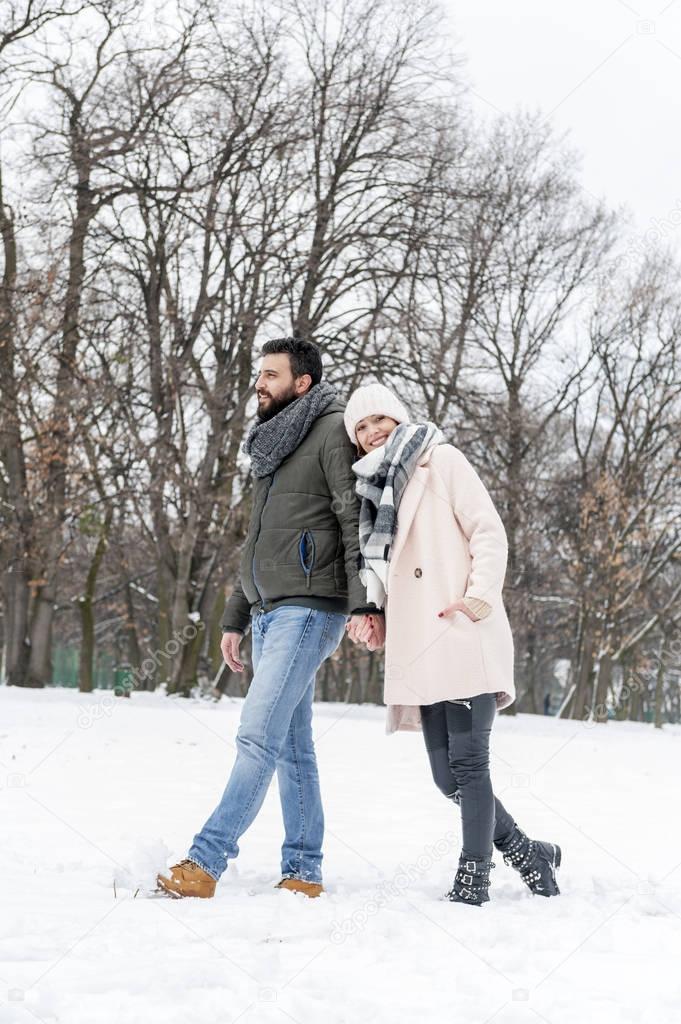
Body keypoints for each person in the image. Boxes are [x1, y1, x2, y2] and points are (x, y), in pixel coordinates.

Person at [157, 338, 383, 899]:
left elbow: (350, 513)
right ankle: (304, 871)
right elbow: (256, 539)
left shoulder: (330, 429)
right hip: (268, 609)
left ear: (301, 382)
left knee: (257, 735)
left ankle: (206, 861)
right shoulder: (271, 443)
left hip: (309, 608)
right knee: (291, 746)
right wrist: (236, 615)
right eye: (259, 373)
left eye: (270, 374)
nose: (259, 383)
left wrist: (364, 603)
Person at [342, 383, 561, 906]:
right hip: (420, 645)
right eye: (361, 428)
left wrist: (478, 596)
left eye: (379, 420)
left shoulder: (441, 460)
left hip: (461, 630)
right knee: (447, 779)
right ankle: (530, 853)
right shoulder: (372, 492)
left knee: (469, 765)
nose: (372, 432)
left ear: (398, 418)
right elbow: (385, 573)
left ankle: (473, 878)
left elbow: (489, 531)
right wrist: (374, 616)